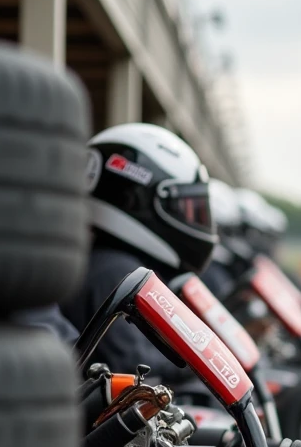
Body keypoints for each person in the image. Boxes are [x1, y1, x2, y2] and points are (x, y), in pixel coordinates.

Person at [60, 123, 216, 377]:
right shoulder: (115, 272)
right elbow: (138, 367)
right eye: (186, 208)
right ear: (134, 198)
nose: (195, 220)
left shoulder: (108, 265)